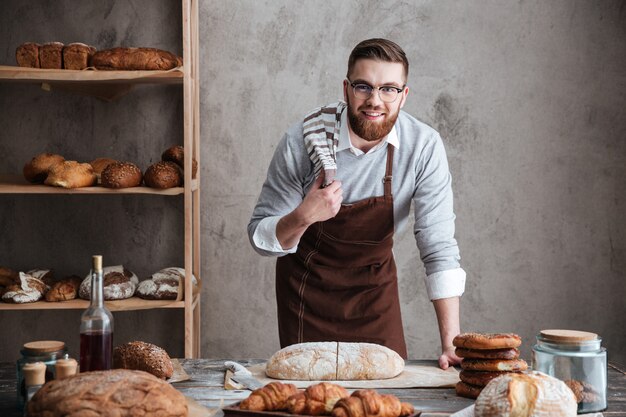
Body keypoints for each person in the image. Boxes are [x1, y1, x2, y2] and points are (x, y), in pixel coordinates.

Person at [248, 38, 466, 369]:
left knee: (385, 401)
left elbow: (438, 248)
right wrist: (304, 216)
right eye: (364, 87)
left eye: (389, 89)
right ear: (347, 89)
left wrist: (451, 343)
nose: (375, 101)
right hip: (308, 293)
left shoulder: (422, 147)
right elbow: (259, 237)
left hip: (374, 295)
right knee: (312, 403)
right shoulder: (305, 140)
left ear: (404, 96)